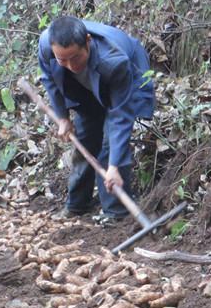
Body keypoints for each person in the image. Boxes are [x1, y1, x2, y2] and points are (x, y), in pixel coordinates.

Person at [38, 16, 155, 219]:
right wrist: (63, 118)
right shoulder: (47, 45)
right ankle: (77, 205)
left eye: (75, 57)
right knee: (84, 139)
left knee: (111, 145)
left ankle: (116, 213)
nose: (70, 65)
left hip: (121, 78)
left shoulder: (115, 61)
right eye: (62, 60)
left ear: (88, 42)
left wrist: (114, 166)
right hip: (85, 88)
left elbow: (120, 115)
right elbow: (50, 80)